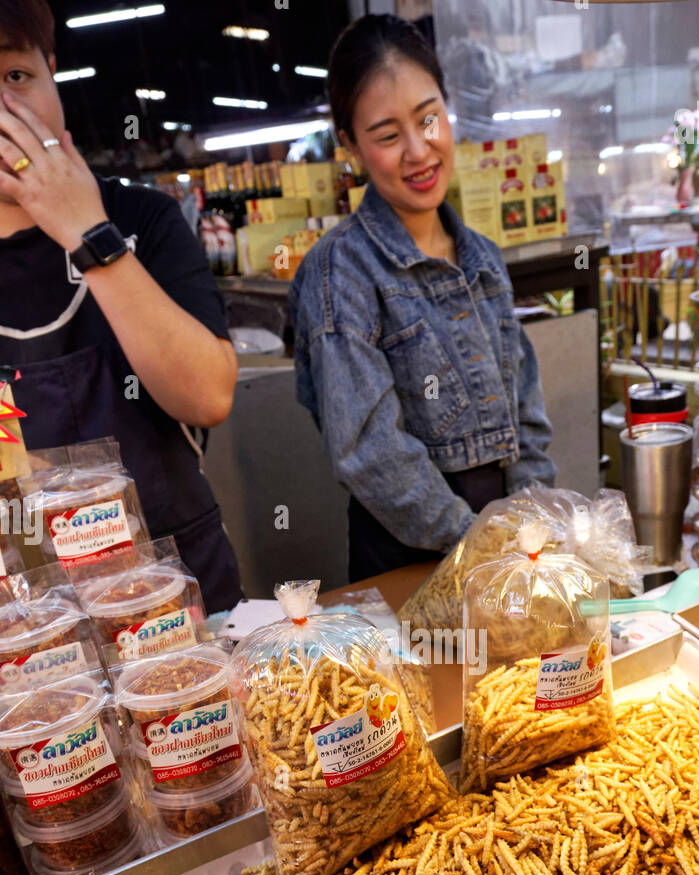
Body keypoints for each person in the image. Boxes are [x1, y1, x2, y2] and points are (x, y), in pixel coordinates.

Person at [290, 13, 555, 582]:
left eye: (429, 118)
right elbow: (369, 449)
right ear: (352, 148)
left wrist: (533, 528)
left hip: (508, 550)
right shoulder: (340, 271)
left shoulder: (481, 254)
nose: (418, 150)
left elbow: (527, 416)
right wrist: (479, 545)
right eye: (387, 136)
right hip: (411, 560)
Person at [0, 0, 243, 613]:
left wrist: (89, 235)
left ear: (53, 73)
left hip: (185, 606)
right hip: (31, 635)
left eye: (15, 77)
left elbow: (208, 395)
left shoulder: (143, 220)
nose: (3, 112)